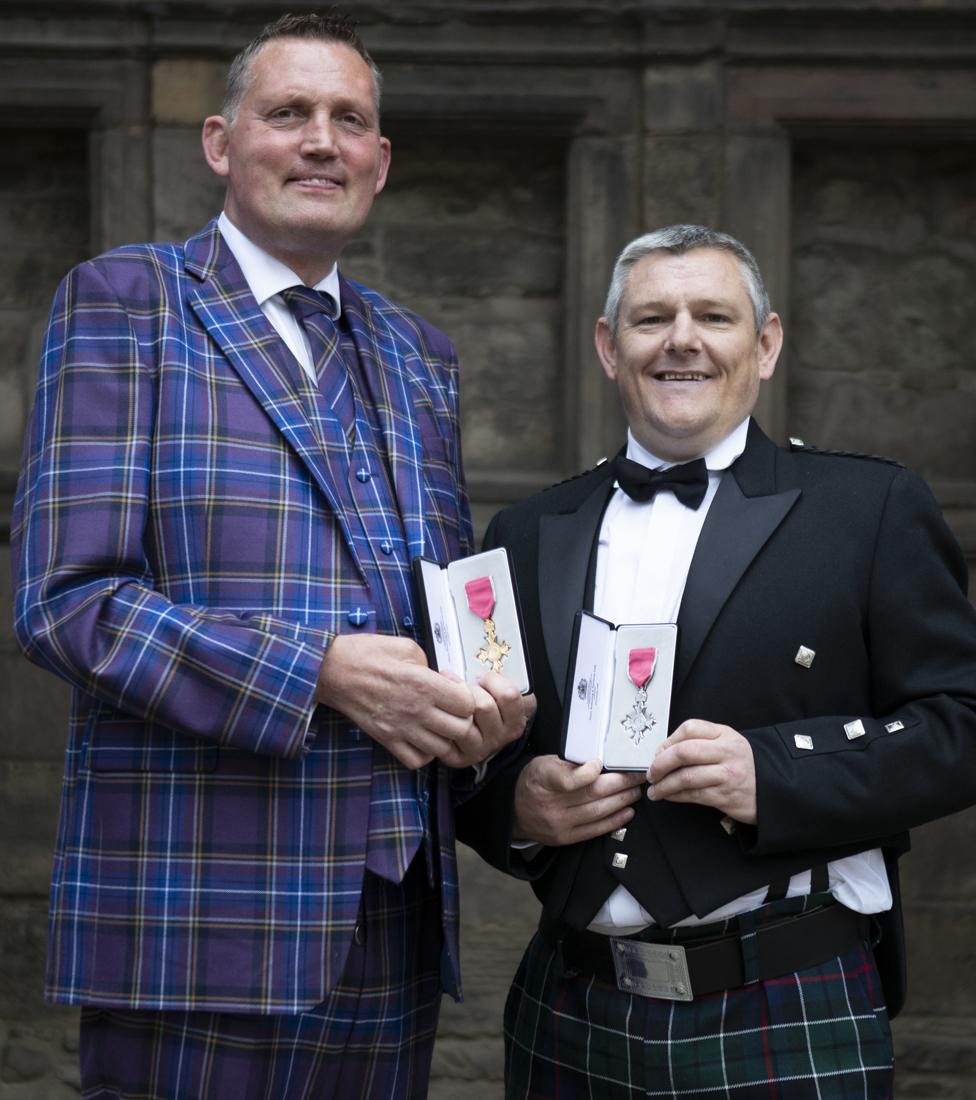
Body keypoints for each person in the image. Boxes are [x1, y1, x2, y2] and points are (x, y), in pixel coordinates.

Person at [11, 11, 533, 1099]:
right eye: (287, 113)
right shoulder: (127, 304)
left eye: (349, 120)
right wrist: (319, 671)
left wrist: (475, 706)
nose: (319, 140)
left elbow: (435, 598)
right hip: (201, 907)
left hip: (389, 914)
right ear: (220, 142)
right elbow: (67, 600)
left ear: (378, 163)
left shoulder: (417, 351)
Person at [456, 224, 976, 1098]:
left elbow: (962, 724)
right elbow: (472, 753)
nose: (682, 339)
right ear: (608, 346)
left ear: (764, 345)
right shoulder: (525, 530)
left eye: (715, 316)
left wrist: (775, 775)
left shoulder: (868, 507)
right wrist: (517, 806)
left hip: (787, 998)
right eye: (652, 317)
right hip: (571, 1000)